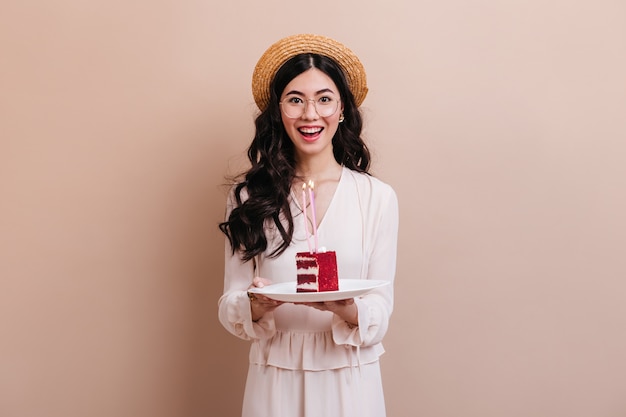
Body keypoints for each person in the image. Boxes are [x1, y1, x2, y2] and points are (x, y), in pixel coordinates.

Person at [218, 34, 399, 417]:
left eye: (324, 98)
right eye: (295, 100)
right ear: (278, 111)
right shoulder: (250, 197)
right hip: (275, 376)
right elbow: (230, 302)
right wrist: (254, 304)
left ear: (343, 109)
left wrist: (346, 309)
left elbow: (380, 308)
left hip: (350, 377)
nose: (310, 114)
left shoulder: (376, 197)